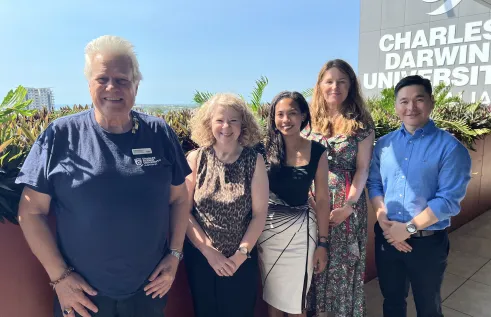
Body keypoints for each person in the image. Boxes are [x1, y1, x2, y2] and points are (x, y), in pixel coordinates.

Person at [15, 35, 191, 317]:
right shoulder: (61, 134)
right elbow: (30, 211)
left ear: (136, 85)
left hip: (148, 292)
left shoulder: (159, 133)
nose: (112, 87)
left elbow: (180, 198)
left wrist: (175, 255)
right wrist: (60, 278)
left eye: (122, 79)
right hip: (82, 296)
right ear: (88, 84)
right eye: (102, 79)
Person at [366, 75, 472, 317]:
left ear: (431, 103)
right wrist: (382, 217)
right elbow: (374, 183)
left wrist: (409, 229)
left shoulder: (451, 148)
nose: (411, 107)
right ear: (395, 106)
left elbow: (448, 201)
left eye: (418, 99)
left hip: (427, 243)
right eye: (403, 101)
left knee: (428, 307)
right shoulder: (384, 145)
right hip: (387, 238)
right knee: (392, 302)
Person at [184, 93, 269, 317]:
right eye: (219, 120)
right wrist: (209, 252)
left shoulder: (254, 160)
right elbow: (184, 212)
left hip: (240, 261)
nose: (226, 126)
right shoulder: (195, 159)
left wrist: (240, 255)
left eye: (233, 120)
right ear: (208, 123)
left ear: (243, 124)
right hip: (202, 260)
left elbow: (259, 214)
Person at [304, 59, 375, 317]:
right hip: (312, 204)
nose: (335, 86)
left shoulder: (362, 125)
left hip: (346, 208)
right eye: (330, 81)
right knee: (315, 264)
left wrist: (348, 206)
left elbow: (362, 168)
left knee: (343, 268)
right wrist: (309, 199)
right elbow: (300, 165)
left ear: (351, 86)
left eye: (342, 81)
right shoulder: (308, 123)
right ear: (320, 85)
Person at [258, 91, 331, 317]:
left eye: (292, 113)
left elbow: (322, 199)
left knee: (297, 299)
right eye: (280, 114)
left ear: (303, 116)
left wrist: (323, 243)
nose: (285, 120)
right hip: (267, 233)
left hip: (301, 236)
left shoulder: (317, 151)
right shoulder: (261, 149)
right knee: (273, 296)